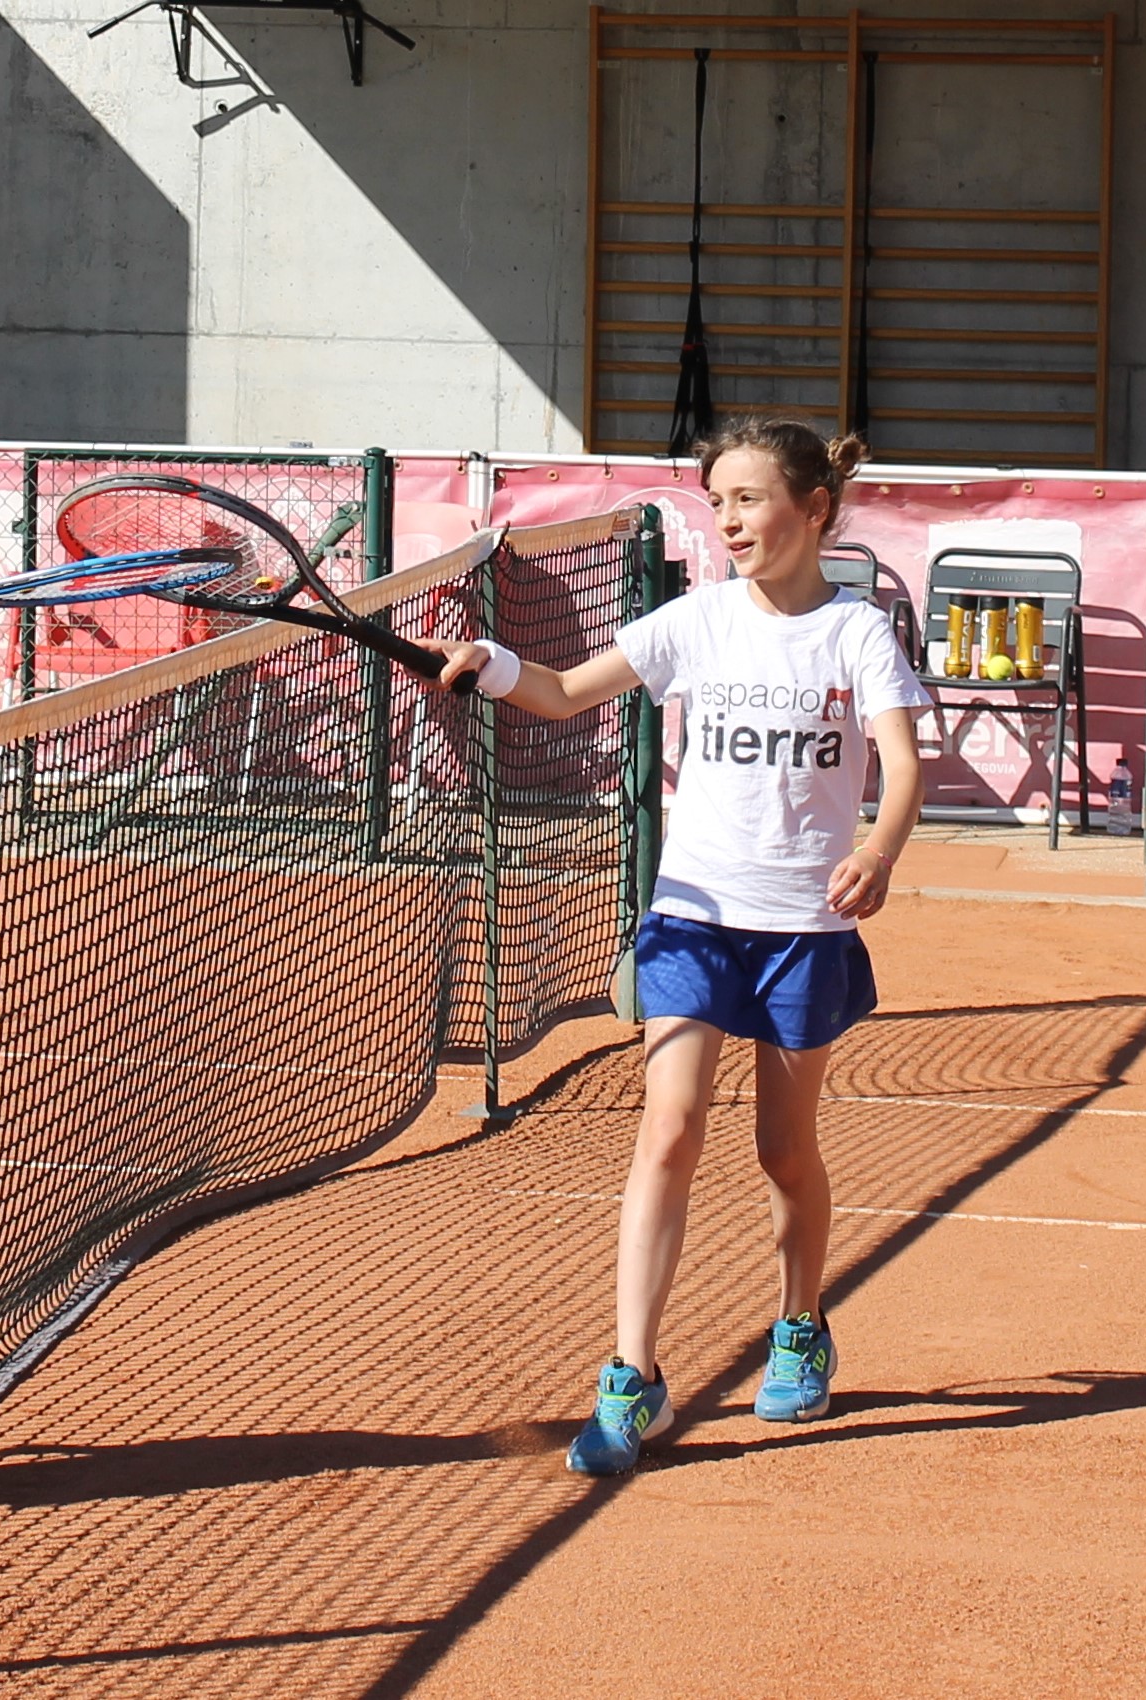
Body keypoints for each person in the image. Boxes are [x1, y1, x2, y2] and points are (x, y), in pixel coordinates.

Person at [426, 420, 930, 1476]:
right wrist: (494, 661)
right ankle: (632, 1371)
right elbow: (565, 689)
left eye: (750, 498)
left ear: (815, 510)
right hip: (694, 912)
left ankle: (799, 1323)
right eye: (719, 500)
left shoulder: (855, 634)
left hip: (804, 927)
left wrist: (879, 847)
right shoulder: (696, 620)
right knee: (669, 1126)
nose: (731, 519)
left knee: (783, 1152)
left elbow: (899, 760)